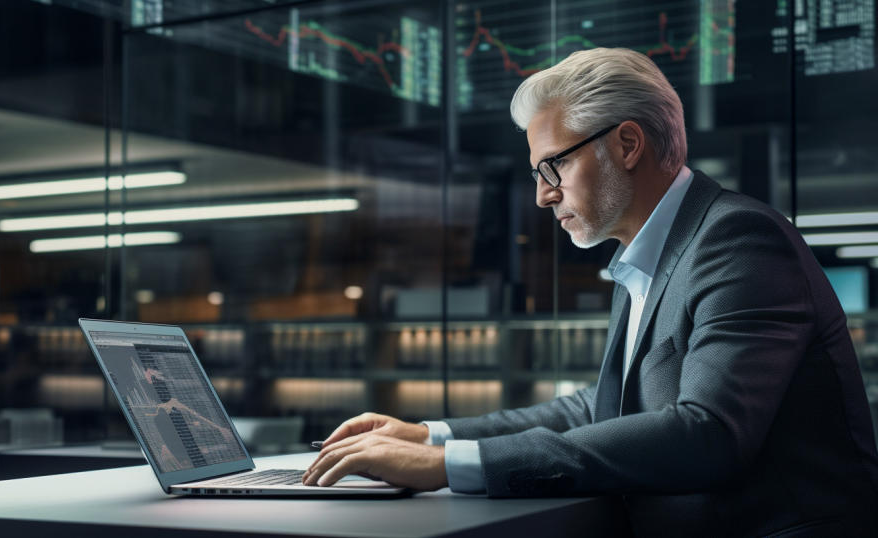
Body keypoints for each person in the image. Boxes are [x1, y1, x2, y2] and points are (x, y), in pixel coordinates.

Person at [302, 47, 878, 536]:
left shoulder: (736, 239)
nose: (542, 196)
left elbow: (707, 432)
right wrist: (431, 434)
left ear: (627, 144)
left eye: (552, 166)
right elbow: (599, 408)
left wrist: (448, 464)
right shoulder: (651, 252)